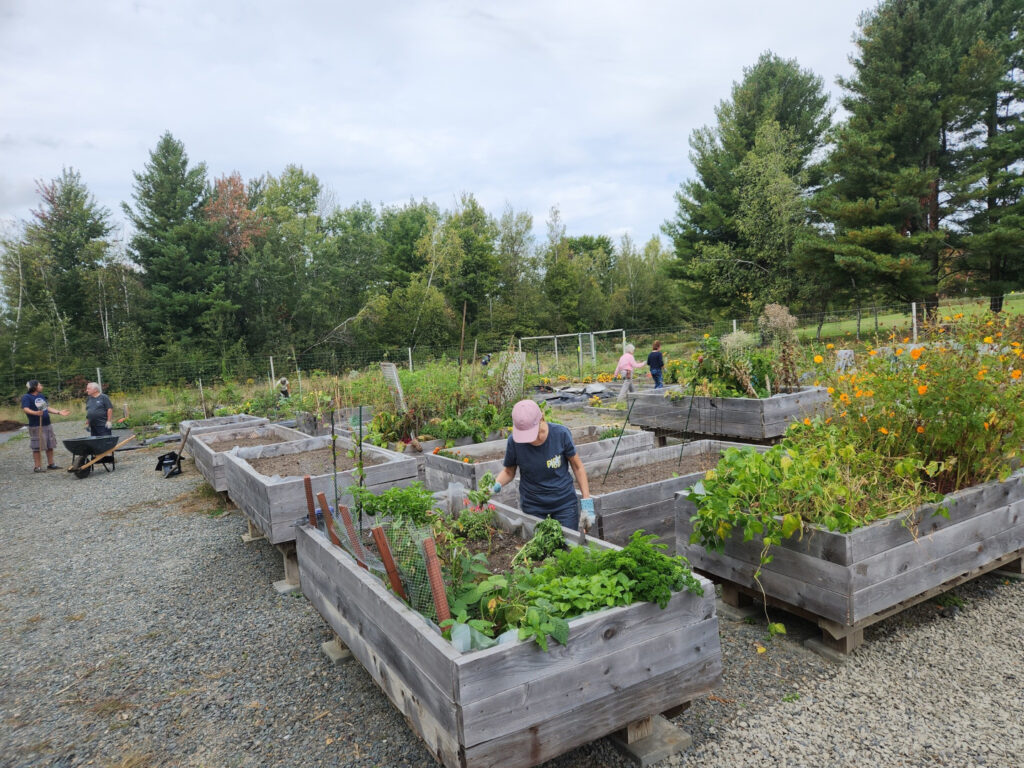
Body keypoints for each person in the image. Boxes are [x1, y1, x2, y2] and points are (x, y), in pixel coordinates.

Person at [491, 400, 595, 531]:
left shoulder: (561, 434)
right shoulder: (515, 442)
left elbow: (577, 467)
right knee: (539, 543)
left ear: (541, 418)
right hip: (533, 507)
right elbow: (509, 471)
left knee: (567, 543)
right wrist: (495, 485)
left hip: (564, 505)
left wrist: (587, 503)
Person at [21, 380, 70, 473]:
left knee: (50, 444)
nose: (41, 386)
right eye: (40, 385)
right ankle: (37, 467)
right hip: (36, 425)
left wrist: (59, 412)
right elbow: (26, 409)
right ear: (34, 387)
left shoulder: (41, 396)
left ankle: (51, 464)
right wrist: (36, 413)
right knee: (37, 446)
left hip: (47, 424)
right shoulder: (26, 397)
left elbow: (46, 408)